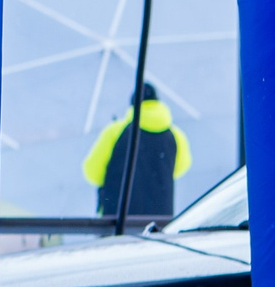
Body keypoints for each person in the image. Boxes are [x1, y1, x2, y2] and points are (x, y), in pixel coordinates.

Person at [83, 81, 193, 217]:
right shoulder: (176, 135)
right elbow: (182, 167)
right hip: (159, 219)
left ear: (133, 104)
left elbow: (92, 171)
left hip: (119, 219)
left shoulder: (115, 131)